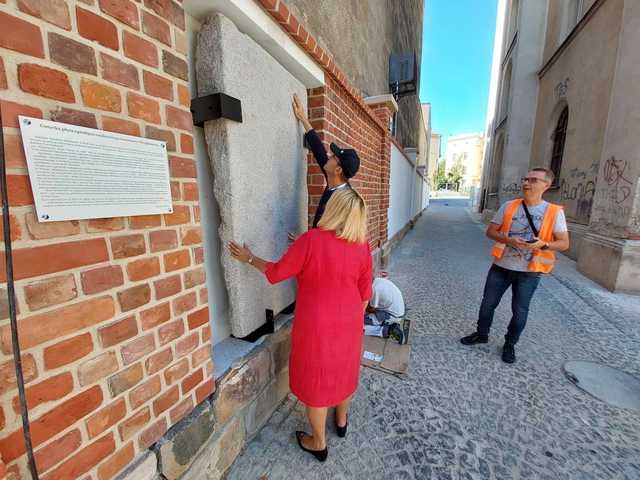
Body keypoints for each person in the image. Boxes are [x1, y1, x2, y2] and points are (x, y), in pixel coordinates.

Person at [228, 188, 372, 462]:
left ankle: (318, 442)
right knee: (344, 373)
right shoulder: (361, 244)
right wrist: (351, 319)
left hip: (317, 326)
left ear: (334, 209)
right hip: (351, 322)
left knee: (317, 384)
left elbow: (276, 272)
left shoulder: (311, 241)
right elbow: (366, 294)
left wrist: (248, 257)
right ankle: (341, 422)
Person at [460, 168, 569, 363]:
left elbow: (564, 243)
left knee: (520, 312)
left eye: (533, 180)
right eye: (525, 179)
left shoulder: (554, 212)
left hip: (530, 272)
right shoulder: (509, 206)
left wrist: (543, 244)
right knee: (487, 304)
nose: (526, 183)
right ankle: (481, 334)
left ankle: (510, 344)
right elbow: (491, 232)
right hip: (501, 266)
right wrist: (509, 240)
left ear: (546, 185)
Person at [290, 93, 360, 232]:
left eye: (334, 157)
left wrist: (308, 242)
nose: (329, 157)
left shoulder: (343, 202)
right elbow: (319, 150)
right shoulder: (335, 182)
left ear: (338, 170)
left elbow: (331, 239)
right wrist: (303, 117)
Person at [364, 277, 405, 343]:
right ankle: (388, 325)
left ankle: (388, 330)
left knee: (359, 325)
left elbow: (370, 309)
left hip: (392, 316)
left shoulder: (374, 290)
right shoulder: (377, 281)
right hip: (398, 311)